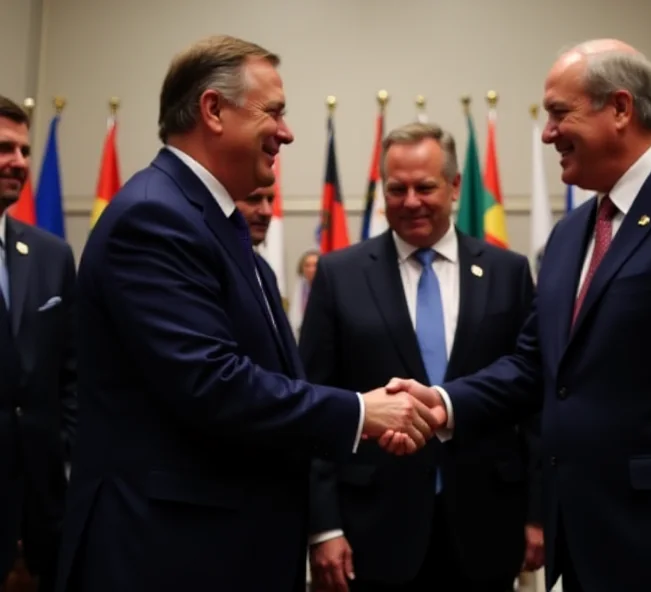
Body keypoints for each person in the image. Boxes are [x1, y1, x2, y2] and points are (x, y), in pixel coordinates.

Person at [385, 39, 651, 592]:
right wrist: (445, 402)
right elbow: (536, 364)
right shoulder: (569, 235)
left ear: (621, 109)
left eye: (559, 113)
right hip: (582, 545)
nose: (547, 132)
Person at [53, 35, 441, 592]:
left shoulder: (222, 231)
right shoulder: (153, 218)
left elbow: (277, 380)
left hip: (224, 549)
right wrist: (361, 413)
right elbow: (212, 383)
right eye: (274, 112)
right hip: (165, 554)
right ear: (213, 110)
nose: (286, 132)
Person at [301, 122, 544, 592]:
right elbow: (315, 403)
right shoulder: (339, 274)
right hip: (370, 528)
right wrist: (324, 527)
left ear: (454, 186)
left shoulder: (507, 272)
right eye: (397, 189)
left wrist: (539, 513)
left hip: (489, 523)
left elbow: (532, 400)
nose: (411, 200)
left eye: (425, 187)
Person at [0, 95, 77, 592]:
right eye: (5, 148)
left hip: (42, 509)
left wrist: (64, 447)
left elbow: (72, 371)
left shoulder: (50, 254)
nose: (20, 162)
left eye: (26, 151)